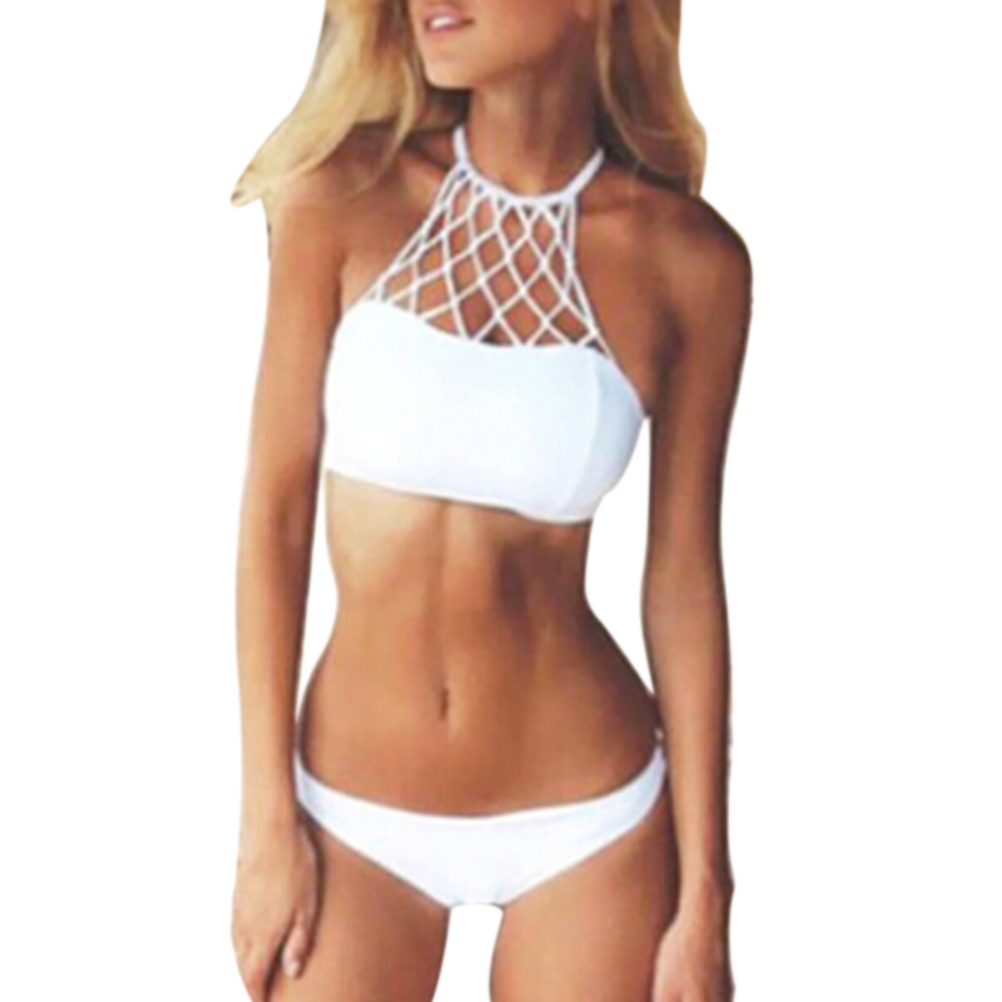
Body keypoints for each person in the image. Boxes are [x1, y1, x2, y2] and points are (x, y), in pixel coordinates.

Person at [229, 0, 752, 1000]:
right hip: (348, 810)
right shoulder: (338, 198)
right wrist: (263, 823)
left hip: (589, 821)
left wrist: (707, 896)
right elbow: (274, 517)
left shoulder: (691, 264)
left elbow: (685, 579)